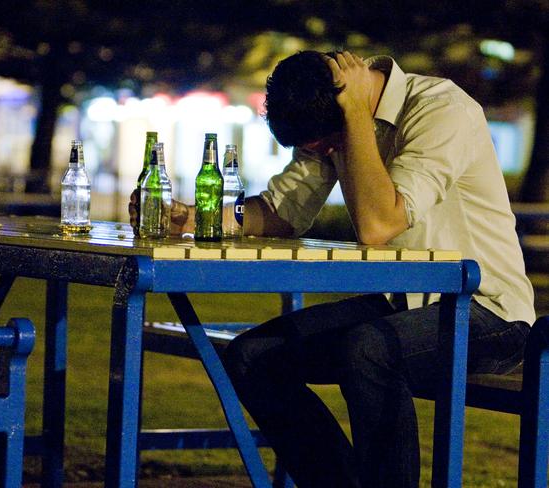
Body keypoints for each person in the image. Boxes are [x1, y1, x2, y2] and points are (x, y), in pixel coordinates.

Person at [129, 50, 535, 487]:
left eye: (325, 147)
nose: (324, 155)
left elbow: (380, 224)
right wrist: (192, 219)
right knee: (253, 357)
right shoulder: (334, 120)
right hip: (403, 304)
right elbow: (281, 210)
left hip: (489, 312)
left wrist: (357, 119)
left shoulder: (442, 110)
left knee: (367, 349)